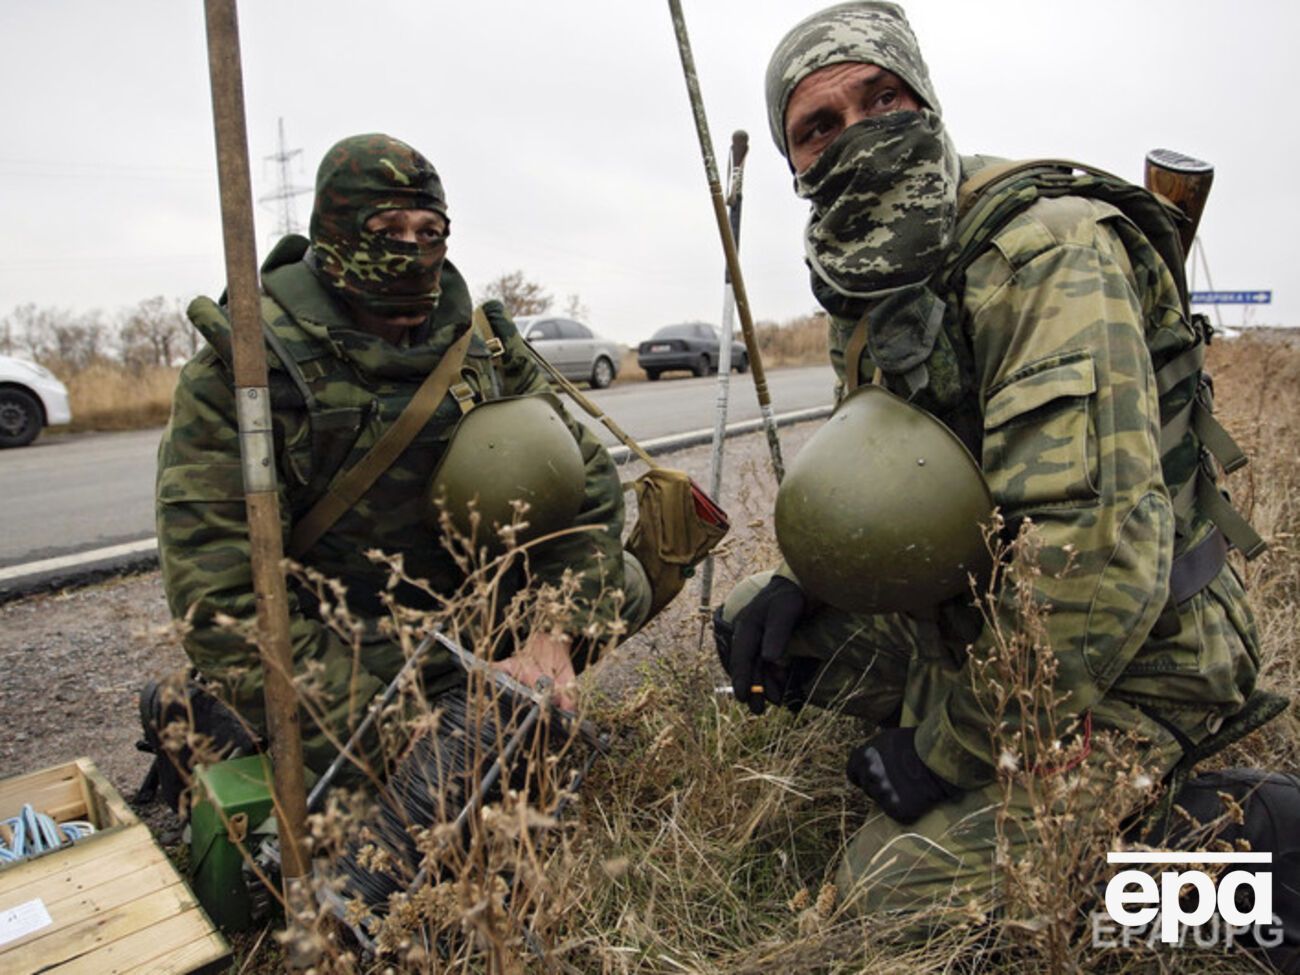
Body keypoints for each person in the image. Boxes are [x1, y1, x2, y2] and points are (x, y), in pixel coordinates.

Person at [716, 0, 1283, 937]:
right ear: (796, 166)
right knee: (759, 629)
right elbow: (907, 484)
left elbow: (1093, 565)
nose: (856, 136)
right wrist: (801, 580)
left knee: (874, 904)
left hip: (1148, 651)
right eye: (819, 127)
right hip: (992, 617)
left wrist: (945, 750)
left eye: (880, 99)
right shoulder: (867, 285)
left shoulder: (1044, 254)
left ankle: (1215, 839)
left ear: (926, 102)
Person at [155, 133, 649, 782]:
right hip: (342, 647)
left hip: (469, 624)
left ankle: (495, 697)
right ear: (334, 232)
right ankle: (232, 720)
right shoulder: (245, 373)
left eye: (429, 228)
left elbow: (585, 490)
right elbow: (219, 597)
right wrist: (393, 732)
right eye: (387, 228)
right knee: (382, 833)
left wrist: (552, 633)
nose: (413, 248)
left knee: (627, 584)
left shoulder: (484, 348)